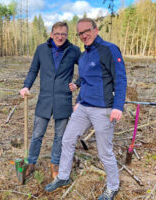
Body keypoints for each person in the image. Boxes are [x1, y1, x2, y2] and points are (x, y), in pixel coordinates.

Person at [44, 18, 127, 200]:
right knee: (67, 140)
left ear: (96, 30)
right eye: (80, 33)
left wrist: (118, 106)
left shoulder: (109, 49)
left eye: (87, 31)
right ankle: (63, 177)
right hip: (83, 107)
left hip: (103, 109)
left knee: (104, 151)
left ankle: (112, 187)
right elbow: (85, 78)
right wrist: (79, 100)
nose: (84, 36)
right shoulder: (84, 55)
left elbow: (120, 78)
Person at [19, 22, 81, 179]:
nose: (60, 37)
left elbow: (86, 69)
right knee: (37, 134)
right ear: (51, 34)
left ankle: (55, 164)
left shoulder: (74, 50)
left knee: (60, 136)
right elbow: (33, 69)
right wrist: (26, 86)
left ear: (67, 35)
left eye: (63, 34)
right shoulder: (41, 49)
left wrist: (77, 83)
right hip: (45, 99)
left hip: (63, 99)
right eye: (57, 34)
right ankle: (31, 163)